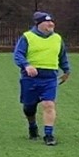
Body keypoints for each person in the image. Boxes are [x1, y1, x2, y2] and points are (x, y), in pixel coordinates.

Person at [12, 12, 71, 146]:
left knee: (48, 104)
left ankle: (49, 135)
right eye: (47, 22)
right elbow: (18, 55)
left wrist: (66, 70)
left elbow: (62, 56)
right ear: (38, 24)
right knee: (29, 107)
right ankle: (32, 126)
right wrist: (26, 65)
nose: (51, 24)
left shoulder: (57, 38)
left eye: (52, 22)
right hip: (30, 78)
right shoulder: (27, 37)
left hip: (50, 78)